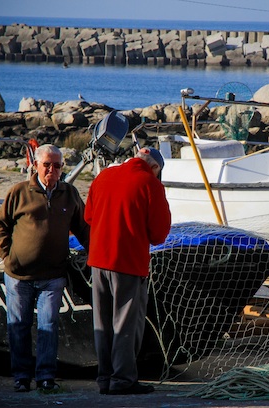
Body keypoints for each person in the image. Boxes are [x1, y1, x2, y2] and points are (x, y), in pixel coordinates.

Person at [0, 144, 89, 393]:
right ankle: (21, 377)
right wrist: (7, 256)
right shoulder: (19, 192)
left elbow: (84, 229)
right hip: (19, 275)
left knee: (48, 326)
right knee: (19, 326)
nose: (52, 170)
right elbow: (0, 226)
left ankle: (46, 376)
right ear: (36, 165)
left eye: (57, 166)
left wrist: (96, 254)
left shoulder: (70, 194)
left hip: (53, 276)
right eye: (47, 164)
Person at [84, 147, 171, 395]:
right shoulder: (150, 184)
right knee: (125, 324)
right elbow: (159, 234)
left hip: (98, 261)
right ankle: (122, 380)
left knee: (102, 323)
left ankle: (104, 378)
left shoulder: (103, 177)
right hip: (128, 263)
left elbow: (89, 217)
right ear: (155, 168)